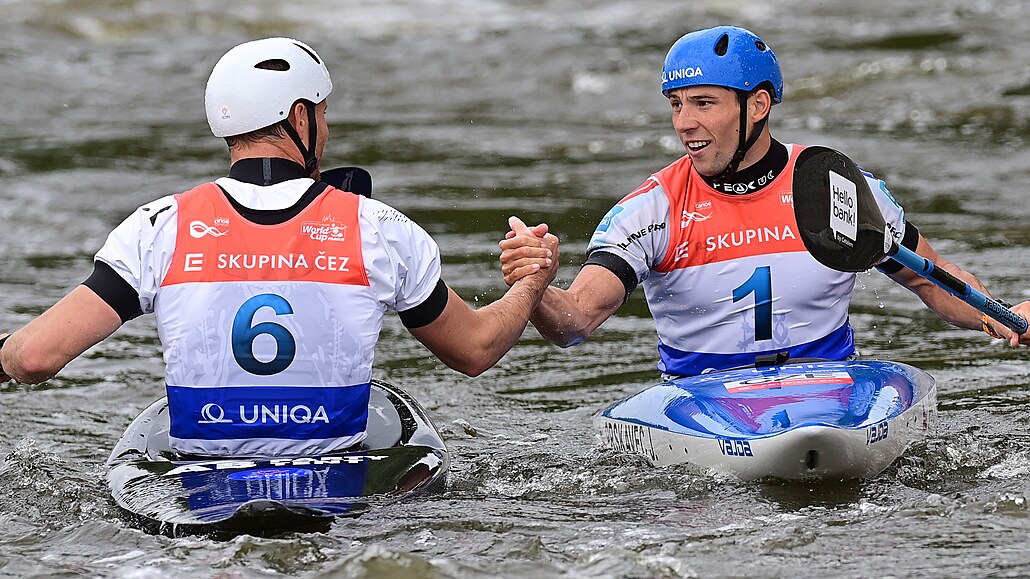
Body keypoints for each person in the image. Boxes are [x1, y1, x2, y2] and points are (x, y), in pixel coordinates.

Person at [0, 37, 558, 458]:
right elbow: (477, 350)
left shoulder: (158, 226)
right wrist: (531, 281)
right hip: (336, 483)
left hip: (199, 485)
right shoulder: (379, 227)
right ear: (299, 117)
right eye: (323, 113)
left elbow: (32, 358)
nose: (329, 129)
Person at [500, 25, 1028, 379]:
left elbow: (927, 276)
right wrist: (538, 286)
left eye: (704, 103)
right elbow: (575, 322)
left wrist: (997, 316)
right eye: (677, 105)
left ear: (757, 105)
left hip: (829, 395)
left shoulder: (835, 189)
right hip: (703, 404)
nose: (685, 124)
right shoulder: (650, 211)